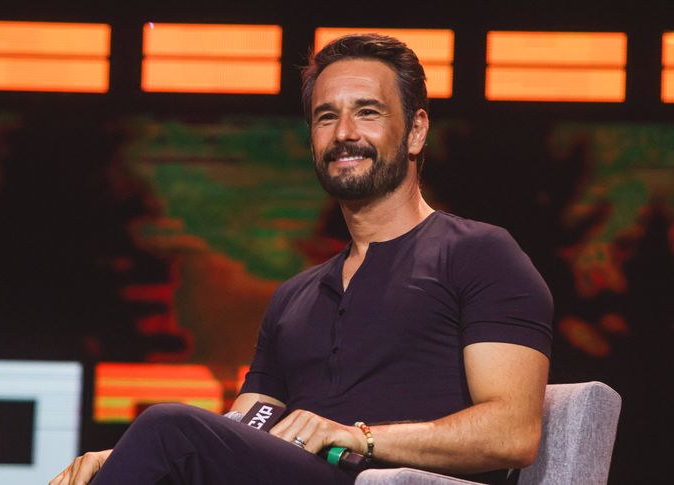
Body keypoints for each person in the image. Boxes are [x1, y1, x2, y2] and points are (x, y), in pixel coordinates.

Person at [50, 34, 552, 485]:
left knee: (166, 425)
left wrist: (359, 437)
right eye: (326, 116)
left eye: (368, 112)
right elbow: (245, 428)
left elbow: (511, 434)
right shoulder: (295, 296)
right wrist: (129, 457)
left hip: (392, 479)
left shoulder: (480, 253)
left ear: (416, 131)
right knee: (153, 444)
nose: (344, 133)